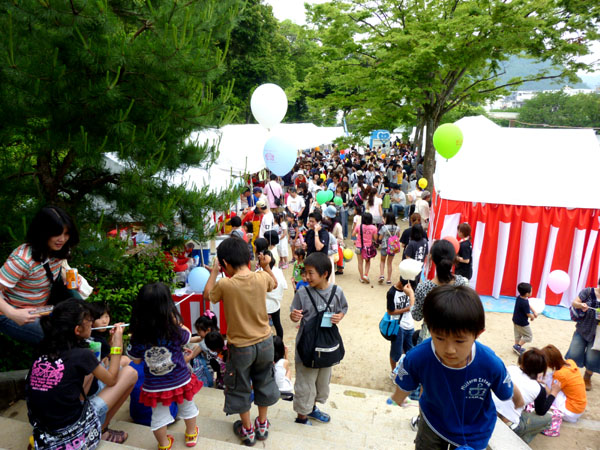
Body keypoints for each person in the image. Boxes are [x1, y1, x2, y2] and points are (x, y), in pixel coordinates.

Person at [391, 285, 513, 450]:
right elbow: (406, 383)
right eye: (439, 338)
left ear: (478, 334)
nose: (449, 350)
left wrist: (517, 398)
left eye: (459, 341)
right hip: (433, 423)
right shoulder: (418, 357)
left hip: (475, 431)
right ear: (429, 329)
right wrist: (397, 398)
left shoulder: (490, 363)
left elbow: (506, 392)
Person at [26, 299, 136, 448]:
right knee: (130, 373)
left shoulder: (43, 348)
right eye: (90, 324)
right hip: (72, 433)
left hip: (43, 431)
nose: (92, 326)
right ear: (77, 330)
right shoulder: (82, 355)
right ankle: (102, 429)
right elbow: (111, 380)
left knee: (93, 371)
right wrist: (117, 345)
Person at [204, 237, 280, 446]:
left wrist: (213, 272)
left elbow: (207, 295)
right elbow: (273, 284)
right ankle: (262, 424)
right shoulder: (261, 277)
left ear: (225, 263)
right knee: (264, 380)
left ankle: (247, 430)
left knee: (240, 385)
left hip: (241, 348)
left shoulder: (225, 284)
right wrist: (265, 266)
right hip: (265, 343)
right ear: (248, 258)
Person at [128, 283, 202, 450]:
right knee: (188, 406)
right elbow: (188, 335)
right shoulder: (174, 330)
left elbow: (137, 360)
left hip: (155, 386)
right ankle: (191, 435)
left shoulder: (138, 335)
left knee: (159, 415)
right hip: (180, 380)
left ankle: (163, 444)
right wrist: (177, 322)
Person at [0, 205, 81, 344]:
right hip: (10, 313)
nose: (62, 239)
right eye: (57, 233)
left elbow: (51, 272)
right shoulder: (22, 260)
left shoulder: (59, 251)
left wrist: (70, 279)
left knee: (81, 326)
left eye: (66, 233)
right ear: (42, 232)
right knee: (58, 339)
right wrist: (12, 313)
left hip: (41, 310)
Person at [289, 252, 348, 425]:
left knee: (321, 381)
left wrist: (340, 316)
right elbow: (294, 316)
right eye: (305, 272)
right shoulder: (302, 292)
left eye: (310, 273)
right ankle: (302, 417)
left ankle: (312, 409)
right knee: (305, 382)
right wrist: (294, 316)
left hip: (326, 345)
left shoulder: (337, 292)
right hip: (307, 346)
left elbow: (343, 308)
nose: (306, 277)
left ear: (324, 274)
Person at [493, 348, 557, 444]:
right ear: (541, 370)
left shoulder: (510, 368)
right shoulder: (539, 388)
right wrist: (554, 393)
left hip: (490, 413)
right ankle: (522, 440)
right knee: (548, 418)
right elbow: (541, 412)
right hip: (510, 425)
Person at [412, 239, 469, 340]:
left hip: (430, 339)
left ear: (433, 258)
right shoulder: (463, 283)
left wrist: (412, 298)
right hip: (455, 339)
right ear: (454, 258)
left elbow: (417, 316)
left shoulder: (423, 288)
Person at [566, 281, 600, 391]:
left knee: (592, 358)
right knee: (574, 353)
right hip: (582, 329)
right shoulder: (588, 291)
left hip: (598, 334)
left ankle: (587, 378)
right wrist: (581, 305)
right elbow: (574, 302)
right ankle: (570, 376)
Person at [542, 344, 587, 422]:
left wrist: (543, 385)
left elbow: (551, 394)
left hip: (570, 411)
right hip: (579, 407)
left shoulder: (560, 374)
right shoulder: (570, 362)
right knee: (550, 377)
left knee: (545, 385)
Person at [386, 278, 414, 377]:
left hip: (410, 325)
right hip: (398, 326)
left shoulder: (410, 288)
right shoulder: (391, 293)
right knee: (396, 352)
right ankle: (393, 372)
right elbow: (390, 311)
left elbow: (414, 306)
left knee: (410, 352)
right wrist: (407, 309)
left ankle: (407, 373)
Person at [186, 311, 220, 388]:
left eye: (199, 331)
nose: (197, 333)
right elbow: (197, 338)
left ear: (208, 330)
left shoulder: (204, 343)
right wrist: (187, 339)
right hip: (210, 364)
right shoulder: (212, 336)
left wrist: (187, 353)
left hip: (206, 368)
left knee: (204, 381)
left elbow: (193, 355)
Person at [262, 250, 287, 339]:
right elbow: (284, 286)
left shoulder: (259, 272)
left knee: (263, 327)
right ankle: (280, 343)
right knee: (277, 324)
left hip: (264, 304)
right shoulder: (279, 271)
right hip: (275, 303)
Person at [352, 212, 378, 284]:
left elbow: (353, 234)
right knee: (367, 261)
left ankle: (361, 277)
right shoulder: (374, 228)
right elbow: (376, 238)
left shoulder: (358, 226)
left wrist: (356, 238)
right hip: (368, 247)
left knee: (360, 262)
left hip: (359, 246)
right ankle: (366, 275)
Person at [512, 282, 536, 355]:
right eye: (531, 291)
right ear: (527, 294)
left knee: (518, 334)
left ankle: (516, 347)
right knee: (529, 336)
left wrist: (534, 311)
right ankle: (518, 346)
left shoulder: (520, 297)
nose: (532, 292)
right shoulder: (524, 302)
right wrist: (533, 317)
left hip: (515, 320)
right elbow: (528, 314)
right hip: (522, 323)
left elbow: (528, 305)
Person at [378, 212, 400, 285]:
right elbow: (398, 236)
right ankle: (389, 279)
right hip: (393, 247)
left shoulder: (384, 227)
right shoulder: (397, 228)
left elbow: (380, 238)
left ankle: (381, 275)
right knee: (389, 263)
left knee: (382, 261)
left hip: (384, 246)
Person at [273, 336, 293, 400]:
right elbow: (286, 368)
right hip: (285, 390)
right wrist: (286, 355)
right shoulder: (283, 362)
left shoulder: (269, 360)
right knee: (288, 371)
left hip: (272, 389)